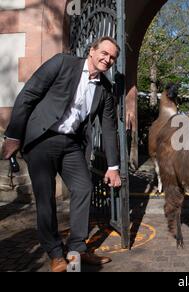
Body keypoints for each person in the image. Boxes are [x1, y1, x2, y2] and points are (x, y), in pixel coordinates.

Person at [1, 36, 122, 272]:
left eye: (112, 58)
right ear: (92, 50)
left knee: (84, 188)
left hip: (71, 145)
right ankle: (55, 253)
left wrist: (113, 166)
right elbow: (28, 95)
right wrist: (13, 136)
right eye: (104, 53)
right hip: (42, 139)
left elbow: (108, 128)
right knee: (46, 199)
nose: (107, 59)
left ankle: (77, 250)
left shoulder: (105, 90)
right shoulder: (62, 63)